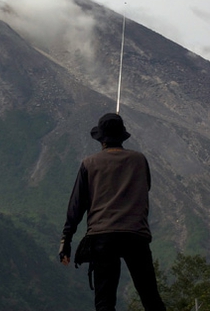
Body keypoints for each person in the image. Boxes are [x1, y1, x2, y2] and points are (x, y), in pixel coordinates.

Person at [59, 113, 166, 311]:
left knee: (105, 301)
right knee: (150, 297)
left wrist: (66, 241)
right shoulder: (139, 160)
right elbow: (146, 187)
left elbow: (77, 205)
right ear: (122, 136)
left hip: (102, 236)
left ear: (101, 139)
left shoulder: (89, 164)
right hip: (135, 234)